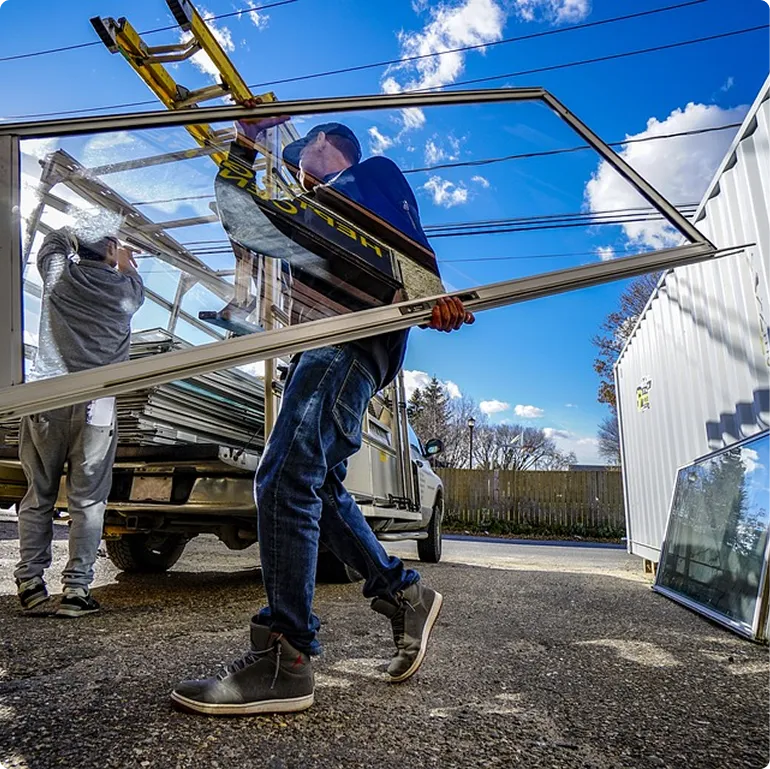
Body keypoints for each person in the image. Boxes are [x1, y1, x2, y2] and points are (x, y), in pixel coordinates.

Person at [171, 112, 473, 716]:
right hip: (319, 348)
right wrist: (245, 143)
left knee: (284, 476)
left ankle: (287, 657)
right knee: (319, 485)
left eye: (301, 153)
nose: (296, 168)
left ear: (326, 144)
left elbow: (408, 236)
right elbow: (241, 217)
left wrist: (429, 295)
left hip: (348, 341)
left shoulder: (365, 177)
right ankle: (402, 594)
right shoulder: (306, 216)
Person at [14, 228, 144, 617]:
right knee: (88, 501)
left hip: (48, 397)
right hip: (96, 406)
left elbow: (53, 241)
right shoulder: (126, 290)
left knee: (38, 494)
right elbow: (131, 276)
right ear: (109, 250)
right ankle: (75, 591)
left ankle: (30, 584)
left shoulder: (60, 275)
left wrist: (81, 232)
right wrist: (123, 259)